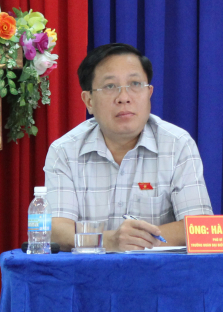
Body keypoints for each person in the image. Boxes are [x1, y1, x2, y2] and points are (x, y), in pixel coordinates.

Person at [44, 43, 213, 251]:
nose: (124, 98)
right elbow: (56, 230)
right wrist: (111, 240)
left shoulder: (177, 144)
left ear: (149, 93)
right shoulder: (65, 151)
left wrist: (137, 241)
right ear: (88, 100)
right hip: (87, 278)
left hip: (160, 277)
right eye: (110, 86)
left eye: (135, 84)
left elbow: (199, 226)